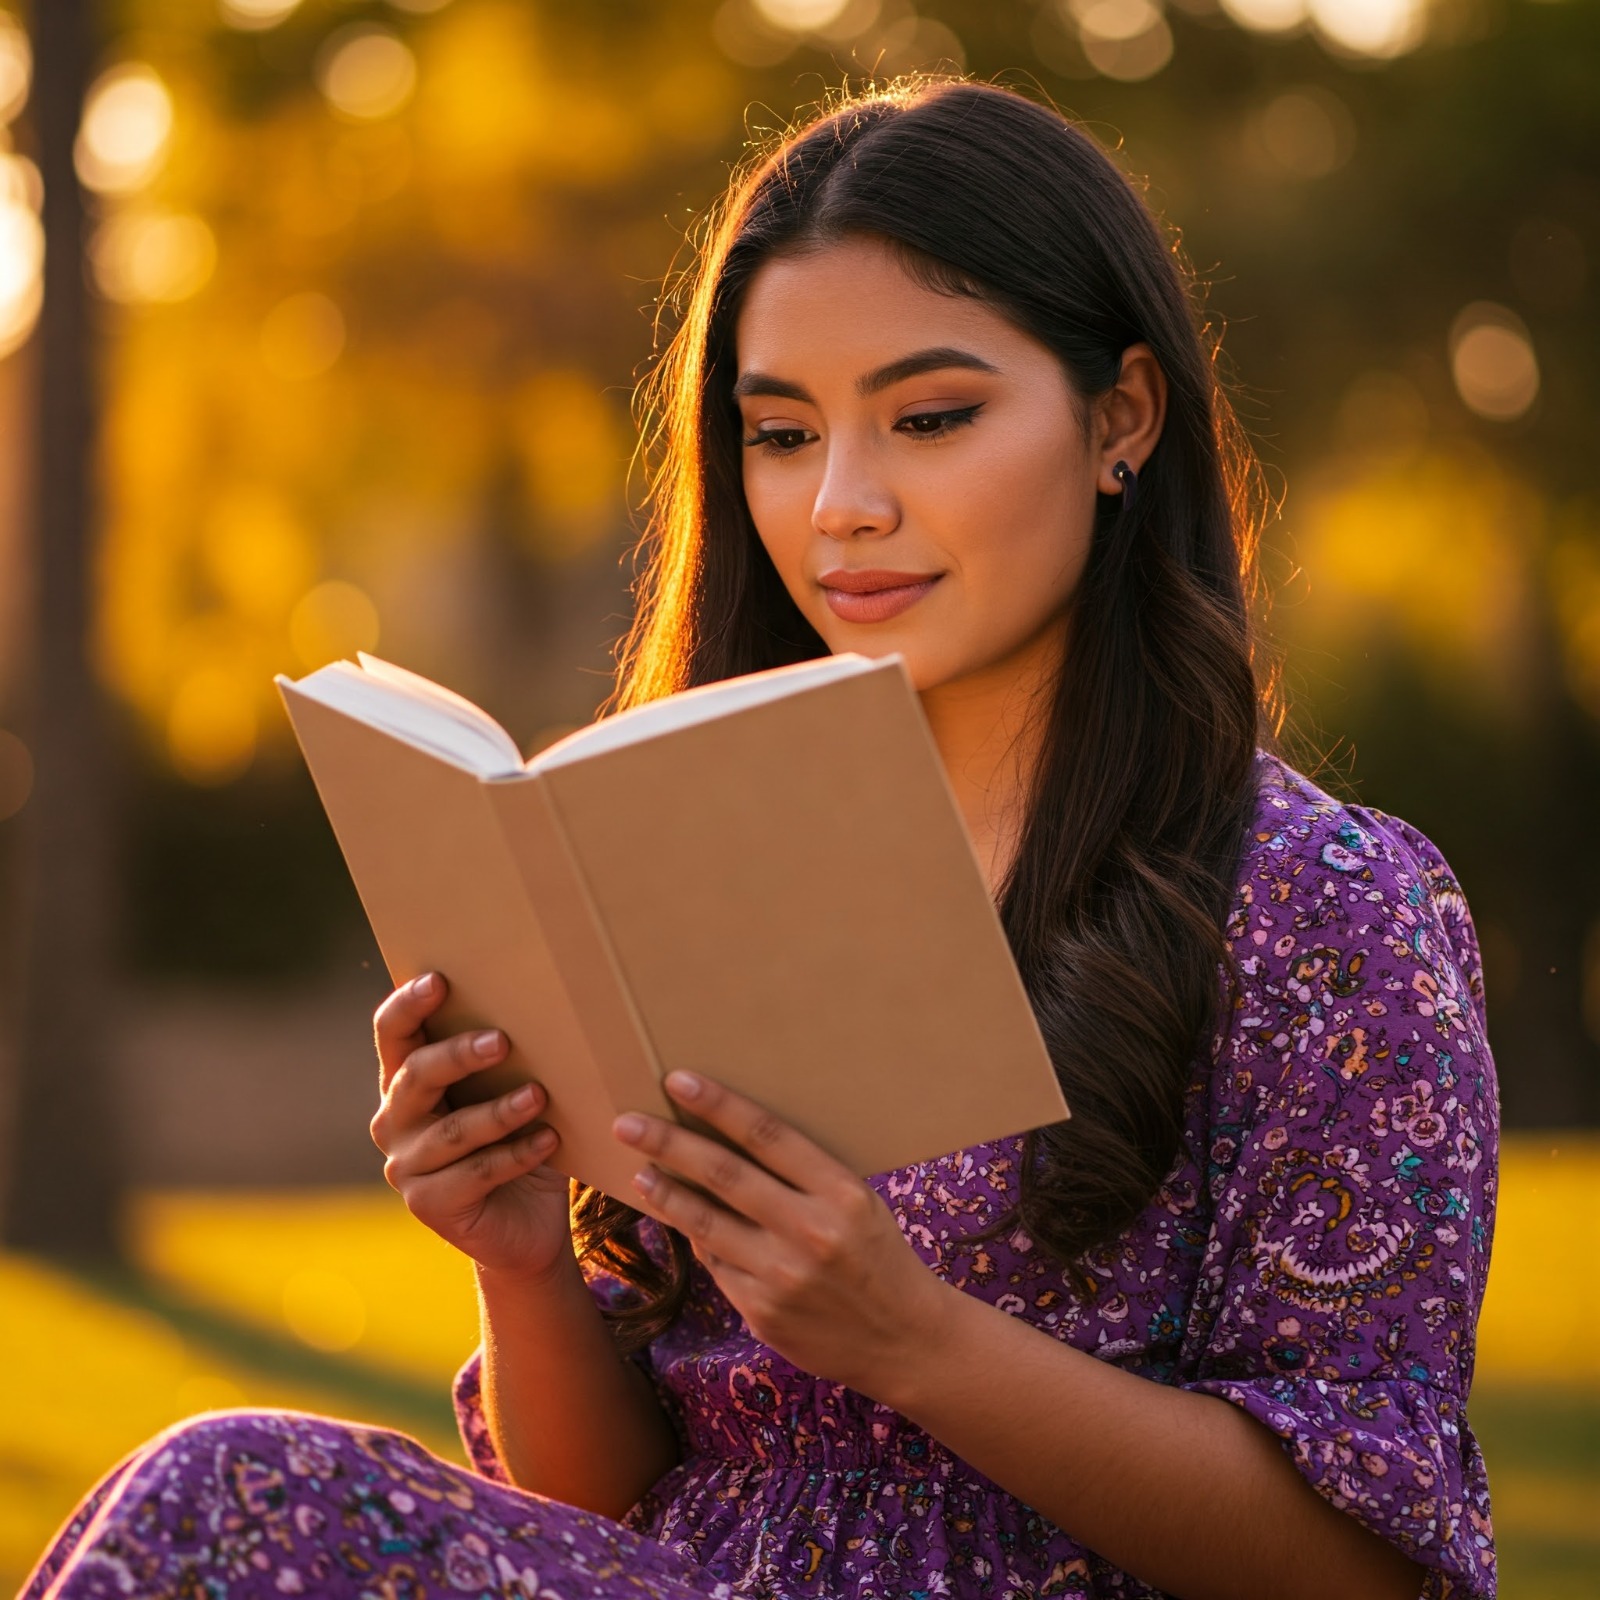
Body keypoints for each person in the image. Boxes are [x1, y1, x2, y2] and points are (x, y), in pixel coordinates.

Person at [24, 79, 1497, 1600]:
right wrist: (520, 1259)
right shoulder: (708, 851)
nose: (841, 506)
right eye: (781, 434)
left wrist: (918, 1343)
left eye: (932, 419)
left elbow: (1371, 1566)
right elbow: (609, 1501)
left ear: (1120, 415)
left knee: (233, 1493)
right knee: (232, 1503)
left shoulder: (1320, 906)